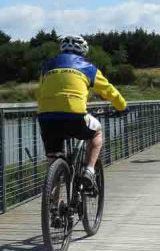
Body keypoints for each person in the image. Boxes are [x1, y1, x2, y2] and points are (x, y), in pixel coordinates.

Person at [36, 34, 127, 193]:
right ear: (83, 51)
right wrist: (122, 107)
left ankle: (52, 205)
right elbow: (108, 90)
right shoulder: (88, 67)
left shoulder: (47, 66)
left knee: (53, 159)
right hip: (75, 115)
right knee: (96, 133)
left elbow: (41, 91)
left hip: (46, 116)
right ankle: (89, 171)